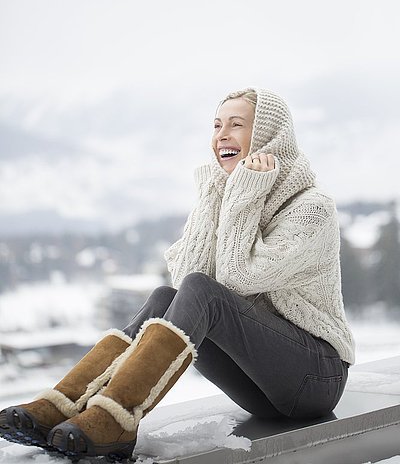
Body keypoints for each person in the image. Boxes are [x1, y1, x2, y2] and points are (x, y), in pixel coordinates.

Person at [0, 87, 355, 462]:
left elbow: (236, 281)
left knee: (202, 291)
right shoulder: (228, 194)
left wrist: (244, 192)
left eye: (236, 125)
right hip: (262, 389)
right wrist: (213, 196)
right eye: (217, 125)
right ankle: (68, 403)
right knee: (163, 298)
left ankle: (118, 416)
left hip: (317, 378)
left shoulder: (311, 209)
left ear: (269, 136)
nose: (221, 135)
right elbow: (186, 278)